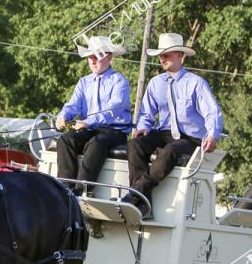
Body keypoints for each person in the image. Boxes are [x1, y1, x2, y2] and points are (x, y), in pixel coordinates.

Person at [119, 33, 222, 218]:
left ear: (180, 55)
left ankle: (135, 194)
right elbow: (147, 113)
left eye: (166, 54)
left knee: (170, 151)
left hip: (190, 138)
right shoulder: (156, 83)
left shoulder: (196, 83)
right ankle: (142, 204)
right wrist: (143, 126)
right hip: (165, 133)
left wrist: (212, 135)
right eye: (161, 55)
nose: (162, 58)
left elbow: (212, 111)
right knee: (134, 145)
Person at [55, 35, 133, 194]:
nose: (93, 60)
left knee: (96, 143)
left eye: (97, 56)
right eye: (90, 57)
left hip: (114, 131)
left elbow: (113, 109)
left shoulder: (119, 81)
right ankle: (65, 188)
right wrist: (63, 116)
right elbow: (73, 104)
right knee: (65, 140)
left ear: (109, 57)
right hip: (89, 130)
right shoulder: (84, 82)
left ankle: (82, 190)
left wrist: (89, 121)